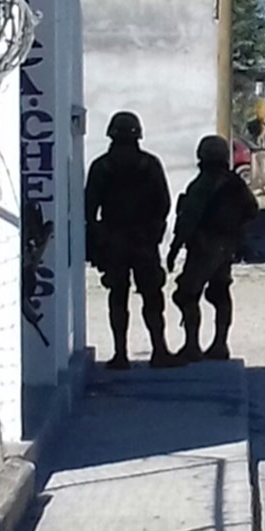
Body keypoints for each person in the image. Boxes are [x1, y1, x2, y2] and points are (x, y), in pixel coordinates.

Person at [85, 111, 183, 370]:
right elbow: (163, 203)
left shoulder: (101, 166)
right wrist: (153, 230)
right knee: (152, 297)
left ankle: (120, 354)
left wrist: (98, 236)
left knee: (118, 297)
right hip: (143, 241)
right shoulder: (149, 164)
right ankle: (159, 350)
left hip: (115, 239)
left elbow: (89, 208)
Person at [167, 135, 259, 362]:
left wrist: (174, 249)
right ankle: (220, 344)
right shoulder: (235, 183)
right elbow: (252, 210)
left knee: (187, 294)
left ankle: (192, 346)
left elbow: (188, 219)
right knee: (220, 292)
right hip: (226, 248)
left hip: (204, 247)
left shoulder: (203, 184)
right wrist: (236, 236)